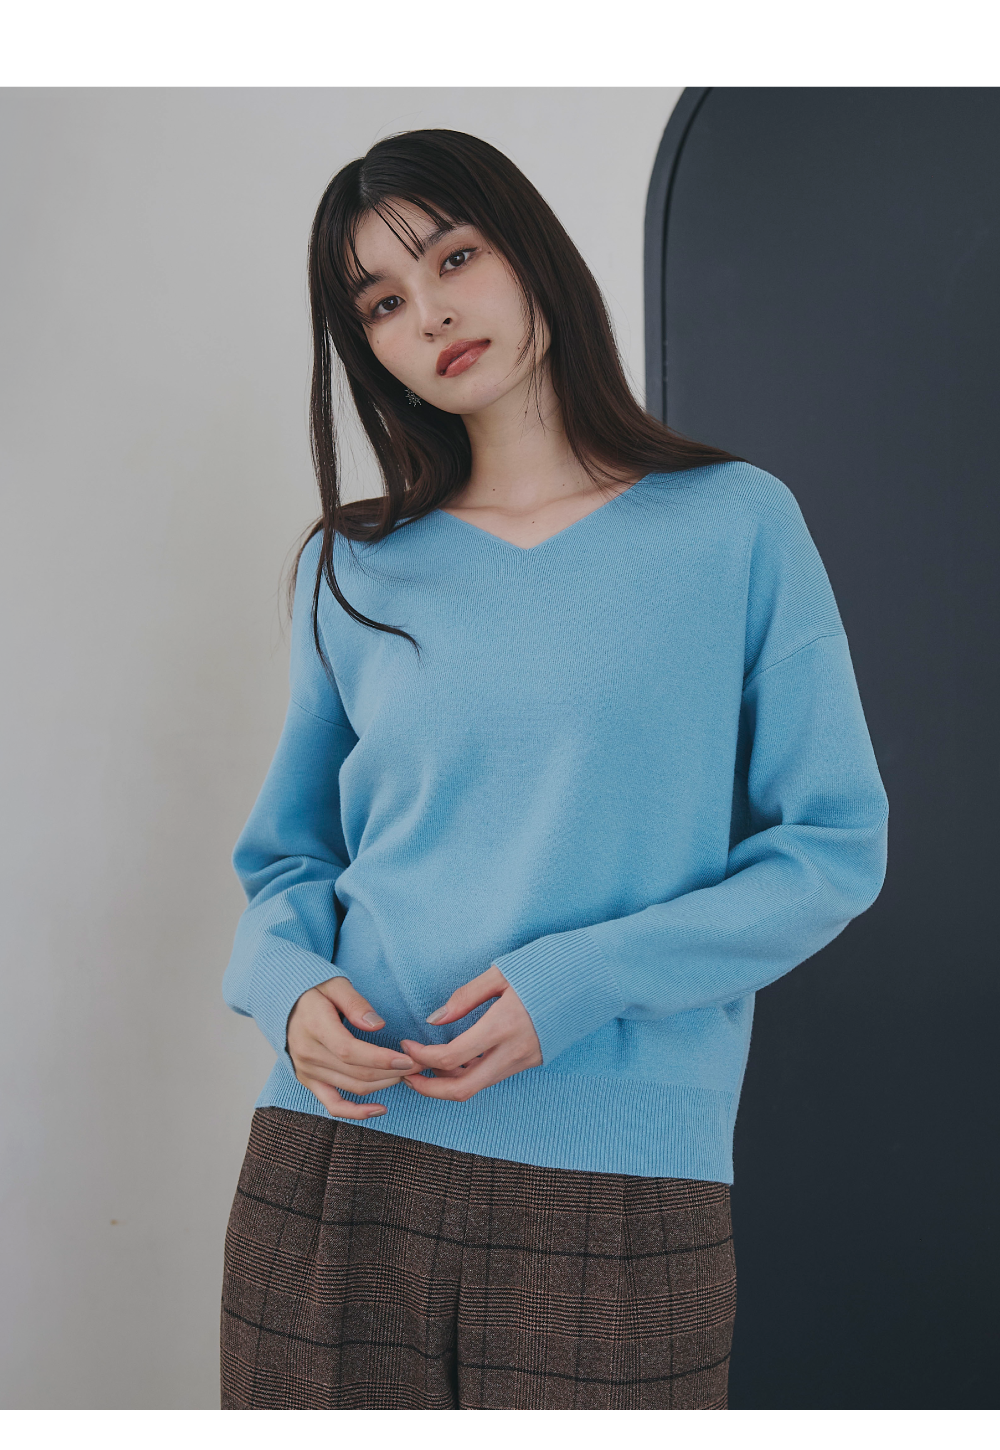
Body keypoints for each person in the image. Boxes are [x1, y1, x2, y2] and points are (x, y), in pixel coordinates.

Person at [220, 129, 888, 1411]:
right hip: (338, 1159)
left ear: (531, 252)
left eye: (452, 257)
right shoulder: (349, 568)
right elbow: (289, 858)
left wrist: (584, 979)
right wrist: (286, 990)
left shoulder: (735, 525)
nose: (429, 313)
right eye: (380, 301)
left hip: (620, 1180)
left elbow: (831, 849)